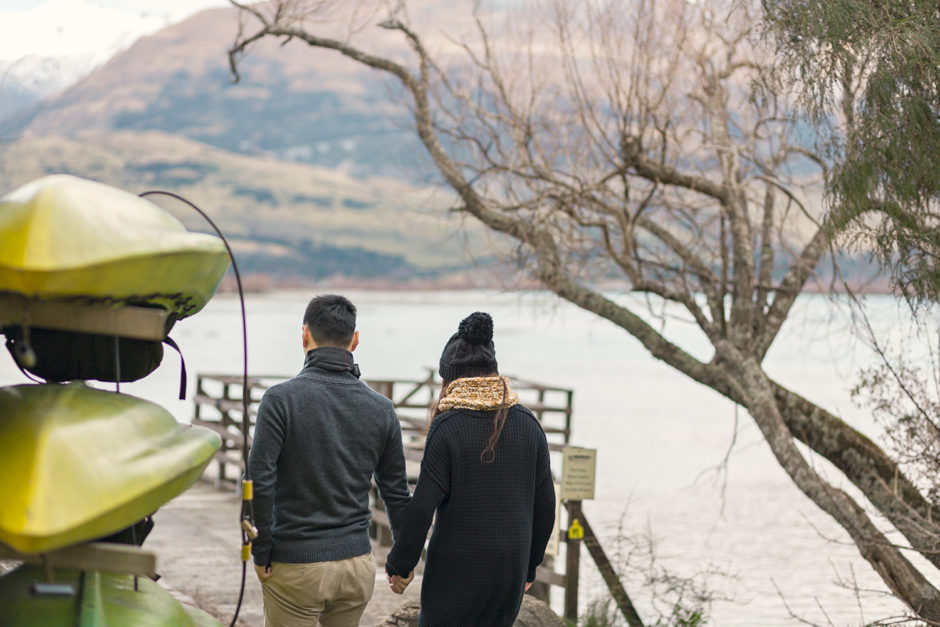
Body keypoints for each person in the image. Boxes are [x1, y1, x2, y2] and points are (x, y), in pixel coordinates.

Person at [247, 294, 412, 627]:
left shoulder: (280, 401)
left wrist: (261, 549)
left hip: (296, 565)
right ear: (355, 340)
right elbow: (395, 492)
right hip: (356, 567)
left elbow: (259, 480)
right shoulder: (381, 408)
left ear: (304, 335)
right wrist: (402, 561)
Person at [384, 311, 556, 626]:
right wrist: (529, 567)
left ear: (450, 379)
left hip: (456, 572)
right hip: (509, 571)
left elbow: (423, 506)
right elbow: (546, 508)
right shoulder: (529, 424)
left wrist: (400, 564)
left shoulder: (448, 425)